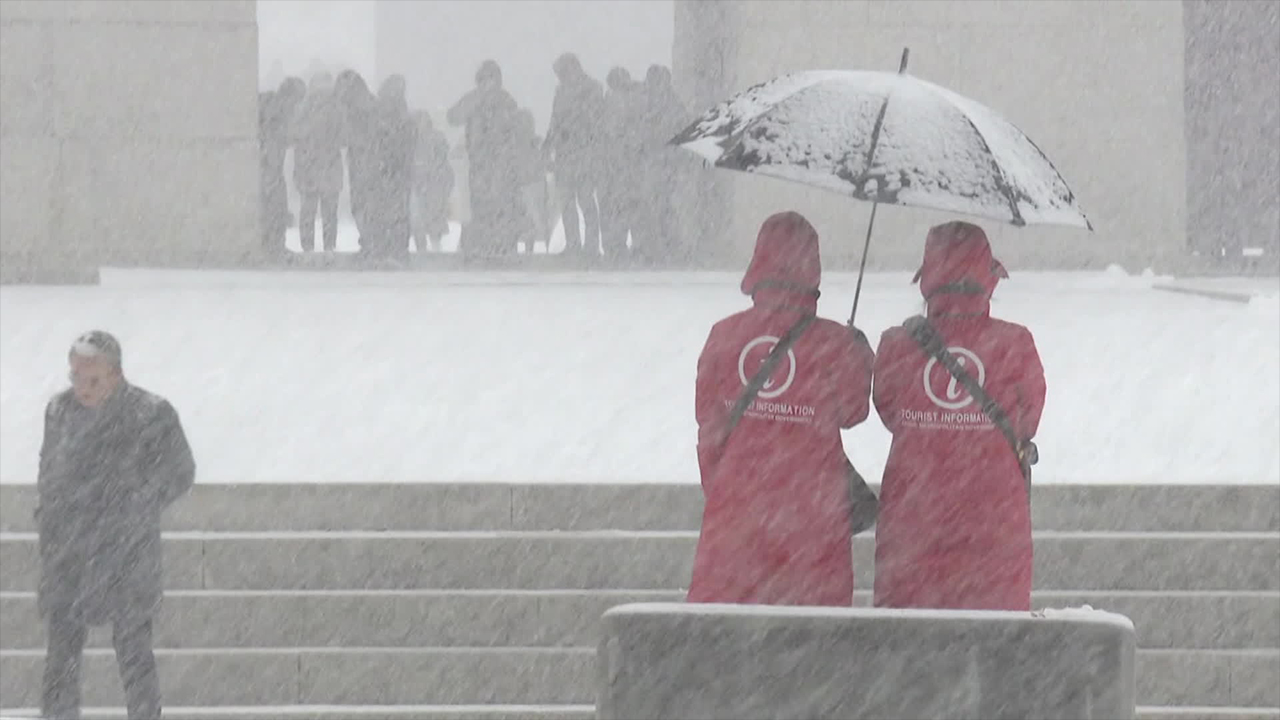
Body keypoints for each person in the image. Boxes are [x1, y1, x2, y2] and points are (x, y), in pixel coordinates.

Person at [687, 211, 875, 606]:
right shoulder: (834, 343)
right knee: (811, 647)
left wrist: (729, 490)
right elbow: (854, 412)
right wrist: (858, 354)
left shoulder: (724, 335)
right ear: (814, 268)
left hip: (737, 519)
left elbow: (709, 426)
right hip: (814, 521)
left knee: (730, 643)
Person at [871, 220, 1046, 611]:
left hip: (912, 520)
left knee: (909, 649)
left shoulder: (896, 345)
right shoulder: (1015, 343)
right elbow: (1027, 420)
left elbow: (887, 411)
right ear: (989, 278)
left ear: (926, 279)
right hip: (994, 523)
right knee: (992, 651)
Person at [37, 331, 196, 720]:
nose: (81, 388)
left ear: (116, 375)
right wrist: (50, 515)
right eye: (75, 376)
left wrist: (137, 501)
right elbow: (49, 469)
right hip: (70, 551)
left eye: (92, 379)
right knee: (62, 654)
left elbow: (180, 471)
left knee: (134, 650)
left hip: (126, 550)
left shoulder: (151, 413)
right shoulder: (59, 411)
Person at [447, 60, 526, 261]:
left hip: (500, 163)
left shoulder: (506, 102)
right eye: (484, 79)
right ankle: (483, 244)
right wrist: (474, 102)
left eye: (491, 79)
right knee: (481, 203)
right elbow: (453, 117)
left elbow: (514, 131)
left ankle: (501, 244)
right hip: (480, 163)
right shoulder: (476, 100)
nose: (488, 84)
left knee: (500, 203)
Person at [543, 53, 604, 258]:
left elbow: (593, 121)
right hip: (566, 154)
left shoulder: (592, 89)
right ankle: (574, 244)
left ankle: (591, 246)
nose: (560, 77)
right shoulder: (561, 91)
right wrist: (548, 144)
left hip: (583, 154)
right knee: (567, 202)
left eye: (561, 73)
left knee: (585, 200)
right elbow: (555, 120)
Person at [292, 72, 345, 253]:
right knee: (328, 211)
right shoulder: (337, 109)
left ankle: (309, 248)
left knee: (309, 211)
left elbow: (295, 136)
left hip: (309, 167)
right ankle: (328, 247)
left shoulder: (302, 110)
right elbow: (343, 138)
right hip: (328, 167)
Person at [258, 77, 305, 258]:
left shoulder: (276, 109)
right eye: (297, 99)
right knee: (272, 207)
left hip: (272, 168)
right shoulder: (274, 112)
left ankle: (274, 245)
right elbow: (274, 139)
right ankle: (273, 247)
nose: (297, 105)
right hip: (268, 168)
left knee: (275, 207)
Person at [410, 111, 455, 253]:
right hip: (420, 185)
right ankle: (422, 250)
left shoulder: (435, 138)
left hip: (433, 185)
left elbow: (442, 161)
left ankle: (435, 249)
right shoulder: (412, 140)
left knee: (432, 218)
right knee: (419, 220)